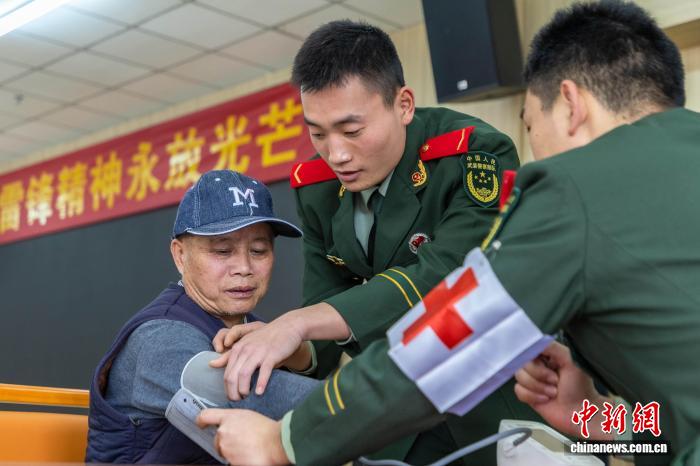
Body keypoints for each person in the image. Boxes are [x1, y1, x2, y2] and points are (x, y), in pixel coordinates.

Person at [197, 2, 700, 465]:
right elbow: (672, 428)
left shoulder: (570, 189)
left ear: (570, 104)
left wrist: (283, 442)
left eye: (530, 124)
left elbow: (453, 337)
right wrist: (598, 422)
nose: (337, 153)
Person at [207, 18, 542, 465]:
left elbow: (450, 278)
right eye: (317, 133)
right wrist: (290, 347)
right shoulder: (318, 188)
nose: (336, 154)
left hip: (494, 402)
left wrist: (300, 323)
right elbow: (327, 306)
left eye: (352, 131)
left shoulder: (472, 153)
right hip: (396, 421)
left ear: (403, 105)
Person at [85, 170, 319, 464]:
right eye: (223, 251)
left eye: (259, 250)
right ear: (180, 255)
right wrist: (370, 398)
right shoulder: (160, 338)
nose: (244, 267)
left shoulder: (252, 328)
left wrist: (299, 354)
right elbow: (260, 397)